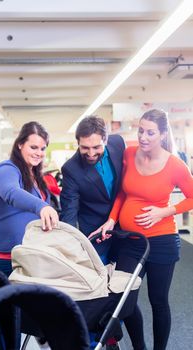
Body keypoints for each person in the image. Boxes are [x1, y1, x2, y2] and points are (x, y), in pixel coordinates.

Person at [89, 109, 193, 350]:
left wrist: (164, 211)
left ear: (163, 134)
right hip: (131, 241)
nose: (143, 137)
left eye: (150, 132)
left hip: (162, 241)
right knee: (124, 298)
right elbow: (124, 191)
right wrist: (112, 219)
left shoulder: (174, 164)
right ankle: (140, 347)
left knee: (158, 301)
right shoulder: (129, 153)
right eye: (141, 130)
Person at [0, 121, 59, 276]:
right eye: (33, 147)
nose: (38, 152)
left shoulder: (36, 176)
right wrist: (42, 207)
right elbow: (11, 192)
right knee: (0, 300)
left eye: (42, 148)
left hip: (23, 254)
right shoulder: (6, 169)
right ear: (20, 144)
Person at [60, 115, 125, 261]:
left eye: (96, 147)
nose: (91, 154)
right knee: (98, 280)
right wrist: (69, 246)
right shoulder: (71, 169)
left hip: (124, 227)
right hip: (95, 234)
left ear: (106, 140)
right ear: (78, 143)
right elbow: (69, 210)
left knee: (127, 279)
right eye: (85, 148)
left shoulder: (118, 143)